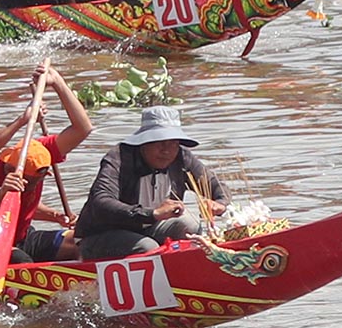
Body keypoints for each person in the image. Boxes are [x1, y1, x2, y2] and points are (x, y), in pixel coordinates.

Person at [0, 63, 92, 266]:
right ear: (8, 169)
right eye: (28, 182)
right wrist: (2, 192)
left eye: (36, 181)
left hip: (20, 236)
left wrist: (58, 82)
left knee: (83, 241)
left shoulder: (36, 151)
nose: (30, 186)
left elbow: (82, 128)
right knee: (21, 260)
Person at [76, 106, 229, 260]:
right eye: (160, 143)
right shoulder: (119, 158)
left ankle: (186, 266)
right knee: (148, 248)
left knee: (191, 225)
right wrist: (152, 214)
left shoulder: (182, 158)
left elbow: (216, 185)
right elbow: (101, 201)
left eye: (173, 143)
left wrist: (219, 203)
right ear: (144, 143)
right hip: (102, 233)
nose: (166, 151)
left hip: (150, 229)